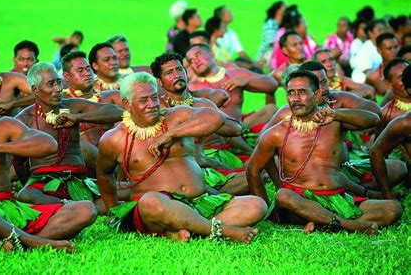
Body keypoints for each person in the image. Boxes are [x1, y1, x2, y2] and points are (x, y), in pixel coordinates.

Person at [97, 72, 266, 243]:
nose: (152, 104)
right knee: (150, 201)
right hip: (160, 207)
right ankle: (221, 230)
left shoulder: (176, 116)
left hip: (201, 201)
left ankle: (189, 230)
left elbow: (216, 117)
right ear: (126, 103)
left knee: (256, 205)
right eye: (143, 100)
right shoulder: (114, 139)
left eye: (154, 97)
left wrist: (171, 134)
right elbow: (104, 175)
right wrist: (114, 211)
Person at [0, 70, 96, 251]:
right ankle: (37, 242)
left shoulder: (3, 125)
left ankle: (10, 243)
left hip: (9, 209)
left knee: (85, 210)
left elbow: (49, 144)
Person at [247, 70, 402, 233]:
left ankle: (321, 223)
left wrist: (337, 114)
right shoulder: (276, 133)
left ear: (317, 94)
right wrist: (264, 208)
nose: (296, 99)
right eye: (291, 93)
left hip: (337, 198)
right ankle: (347, 224)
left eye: (302, 92)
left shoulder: (333, 122)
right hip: (299, 201)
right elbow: (253, 170)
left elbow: (373, 120)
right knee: (283, 195)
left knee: (393, 209)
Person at [13, 63, 123, 210]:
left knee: (132, 188)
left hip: (80, 182)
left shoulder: (72, 106)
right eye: (51, 84)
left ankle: (75, 206)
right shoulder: (24, 119)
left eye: (59, 82)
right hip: (45, 183)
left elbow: (116, 112)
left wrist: (79, 118)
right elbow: (19, 163)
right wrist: (32, 183)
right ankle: (79, 207)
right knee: (25, 194)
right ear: (35, 90)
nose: (58, 89)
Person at [150, 52, 249, 195]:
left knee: (257, 171)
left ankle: (216, 193)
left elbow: (236, 129)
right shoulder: (158, 109)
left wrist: (207, 121)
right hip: (174, 175)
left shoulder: (201, 104)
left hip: (205, 168)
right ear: (160, 82)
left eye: (179, 70)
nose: (176, 75)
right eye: (169, 72)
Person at [186, 44, 278, 133]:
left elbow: (272, 84)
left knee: (271, 109)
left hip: (239, 127)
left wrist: (247, 81)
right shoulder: (192, 87)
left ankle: (243, 134)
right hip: (216, 134)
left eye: (198, 55)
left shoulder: (235, 74)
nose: (196, 61)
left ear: (212, 53)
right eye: (191, 61)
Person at [61, 51, 122, 168]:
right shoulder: (63, 102)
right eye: (80, 70)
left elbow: (129, 113)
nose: (87, 73)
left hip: (115, 155)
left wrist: (79, 118)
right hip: (83, 162)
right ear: (67, 76)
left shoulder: (111, 96)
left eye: (88, 69)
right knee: (82, 146)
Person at [256, 1, 286, 68]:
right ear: (278, 11)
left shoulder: (282, 25)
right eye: (285, 7)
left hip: (275, 53)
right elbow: (272, 42)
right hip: (265, 55)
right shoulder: (271, 24)